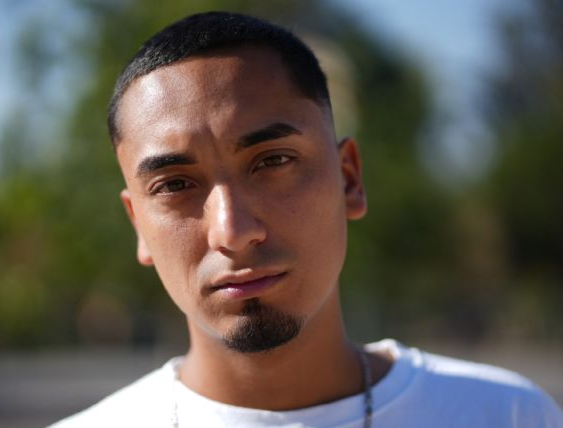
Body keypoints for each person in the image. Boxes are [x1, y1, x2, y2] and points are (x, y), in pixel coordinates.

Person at [50, 11, 563, 428]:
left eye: (272, 161)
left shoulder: (505, 416)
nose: (232, 231)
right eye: (175, 185)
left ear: (349, 179)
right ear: (138, 224)